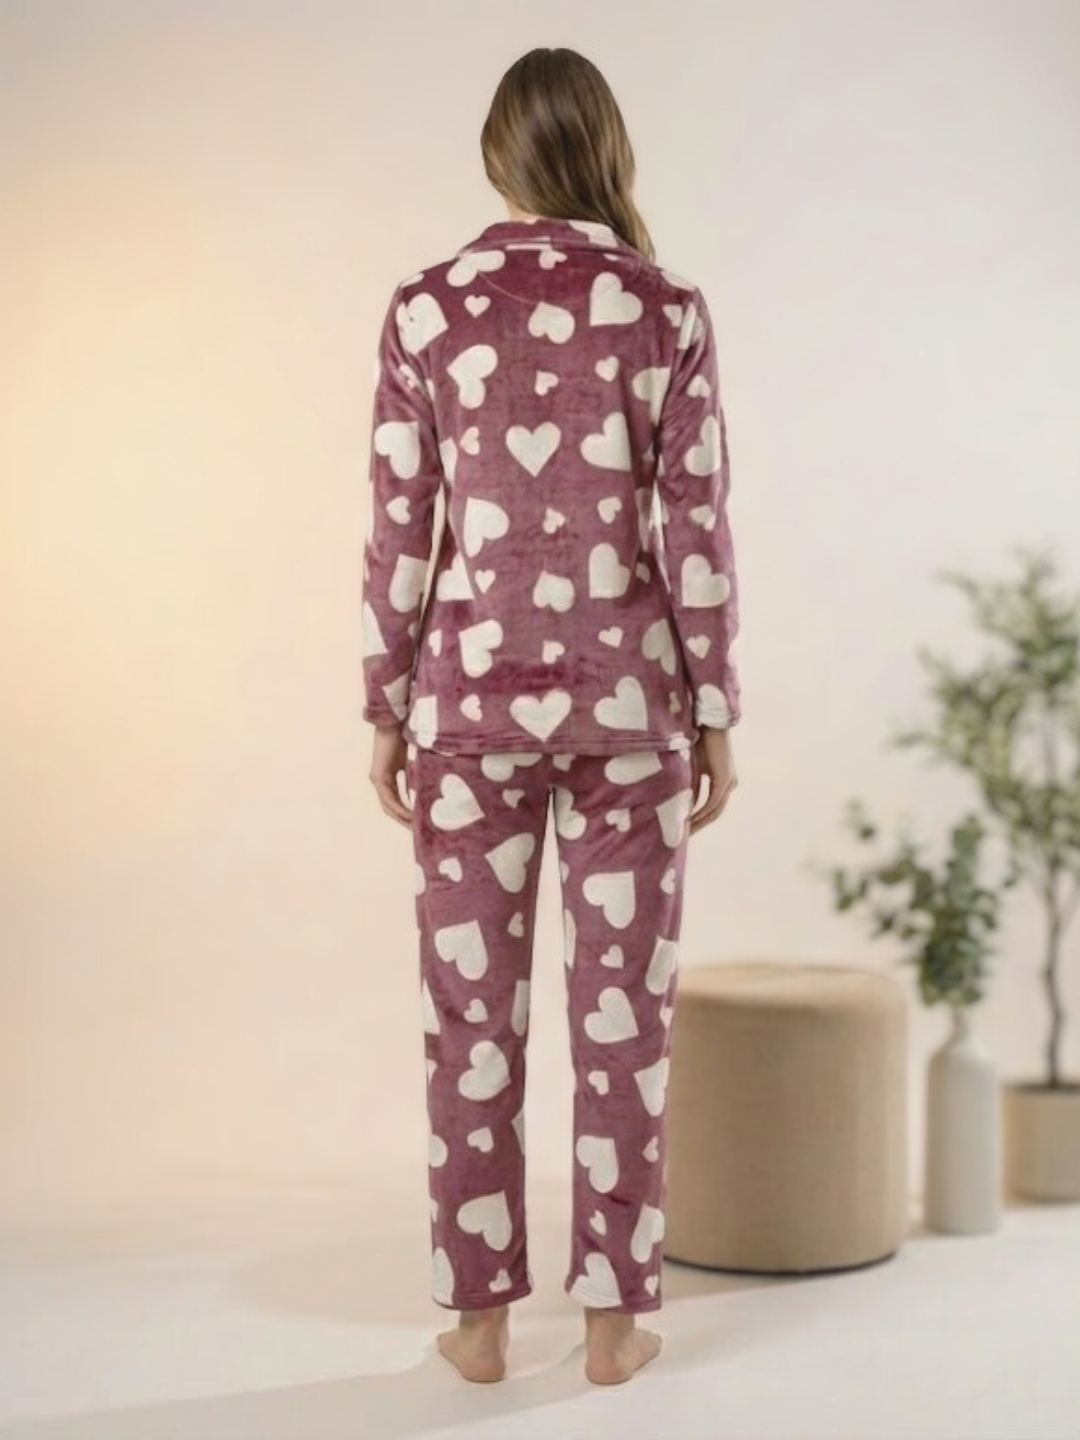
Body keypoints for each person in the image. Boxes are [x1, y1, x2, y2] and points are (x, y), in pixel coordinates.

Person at [361, 46, 740, 1386]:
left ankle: (476, 1323)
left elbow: (400, 525)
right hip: (632, 711)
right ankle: (612, 1323)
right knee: (624, 1024)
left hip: (466, 712)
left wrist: (385, 702)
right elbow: (695, 527)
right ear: (607, 155)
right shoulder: (665, 310)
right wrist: (714, 707)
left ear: (496, 158)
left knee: (470, 1023)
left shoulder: (425, 309)